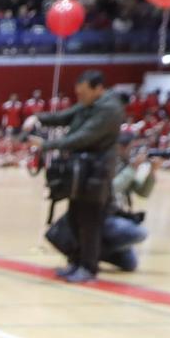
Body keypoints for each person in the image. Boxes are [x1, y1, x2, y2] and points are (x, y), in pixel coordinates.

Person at [24, 68, 123, 283]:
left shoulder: (109, 110)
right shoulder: (89, 104)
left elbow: (84, 137)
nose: (80, 98)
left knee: (90, 222)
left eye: (84, 93)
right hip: (81, 172)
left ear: (98, 89)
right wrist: (37, 118)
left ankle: (88, 267)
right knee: (76, 218)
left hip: (97, 173)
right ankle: (76, 262)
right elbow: (64, 116)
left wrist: (48, 145)